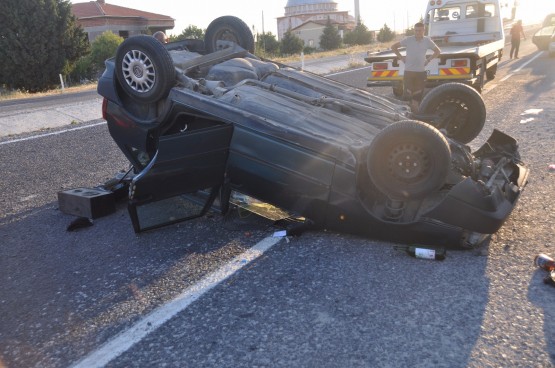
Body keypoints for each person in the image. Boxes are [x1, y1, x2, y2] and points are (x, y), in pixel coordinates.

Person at [391, 22, 441, 112]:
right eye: (416, 30)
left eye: (419, 31)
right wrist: (401, 58)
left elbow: (438, 51)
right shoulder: (408, 40)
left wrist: (428, 60)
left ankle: (417, 119)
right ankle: (407, 117)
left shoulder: (427, 41)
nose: (417, 32)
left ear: (423, 31)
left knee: (417, 97)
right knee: (408, 96)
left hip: (420, 73)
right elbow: (393, 47)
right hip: (409, 72)